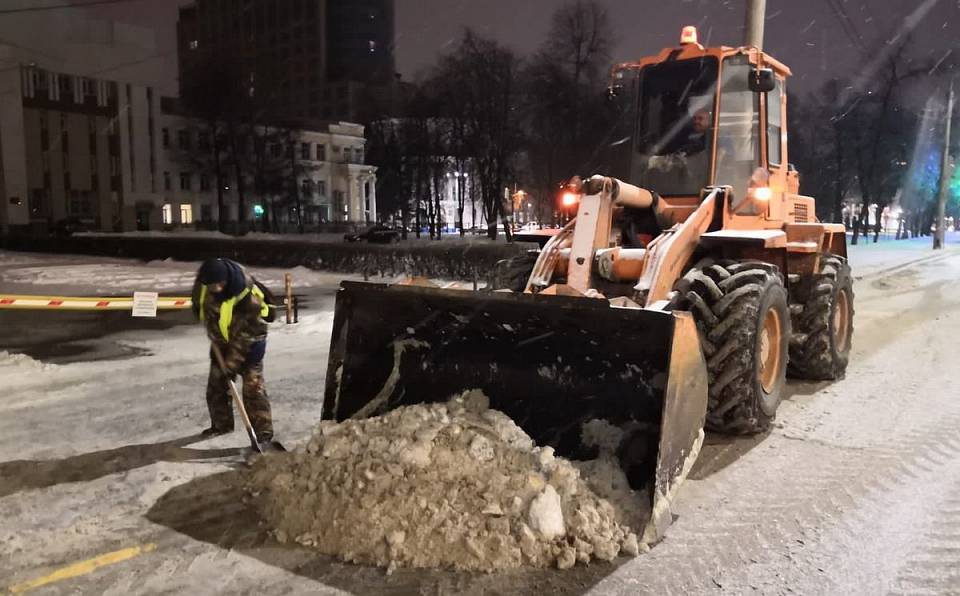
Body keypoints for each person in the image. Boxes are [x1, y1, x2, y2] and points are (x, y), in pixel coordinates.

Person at [191, 258, 274, 442]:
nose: (216, 289)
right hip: (221, 341)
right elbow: (200, 306)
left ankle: (263, 433)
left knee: (253, 389)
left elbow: (245, 337)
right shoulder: (204, 284)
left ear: (226, 280)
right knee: (216, 387)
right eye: (211, 285)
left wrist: (231, 364)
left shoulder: (249, 297)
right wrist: (211, 331)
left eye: (219, 285)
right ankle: (221, 425)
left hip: (251, 341)